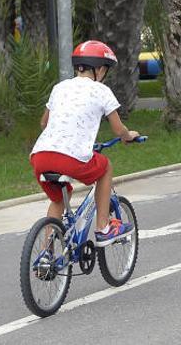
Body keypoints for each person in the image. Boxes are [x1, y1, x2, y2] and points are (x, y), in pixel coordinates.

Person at [30, 41, 140, 247]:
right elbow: (119, 130)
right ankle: (103, 228)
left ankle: (46, 255)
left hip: (40, 155)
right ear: (99, 69)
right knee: (105, 167)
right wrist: (129, 136)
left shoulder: (60, 87)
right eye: (105, 69)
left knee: (58, 200)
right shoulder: (101, 91)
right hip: (70, 158)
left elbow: (44, 122)